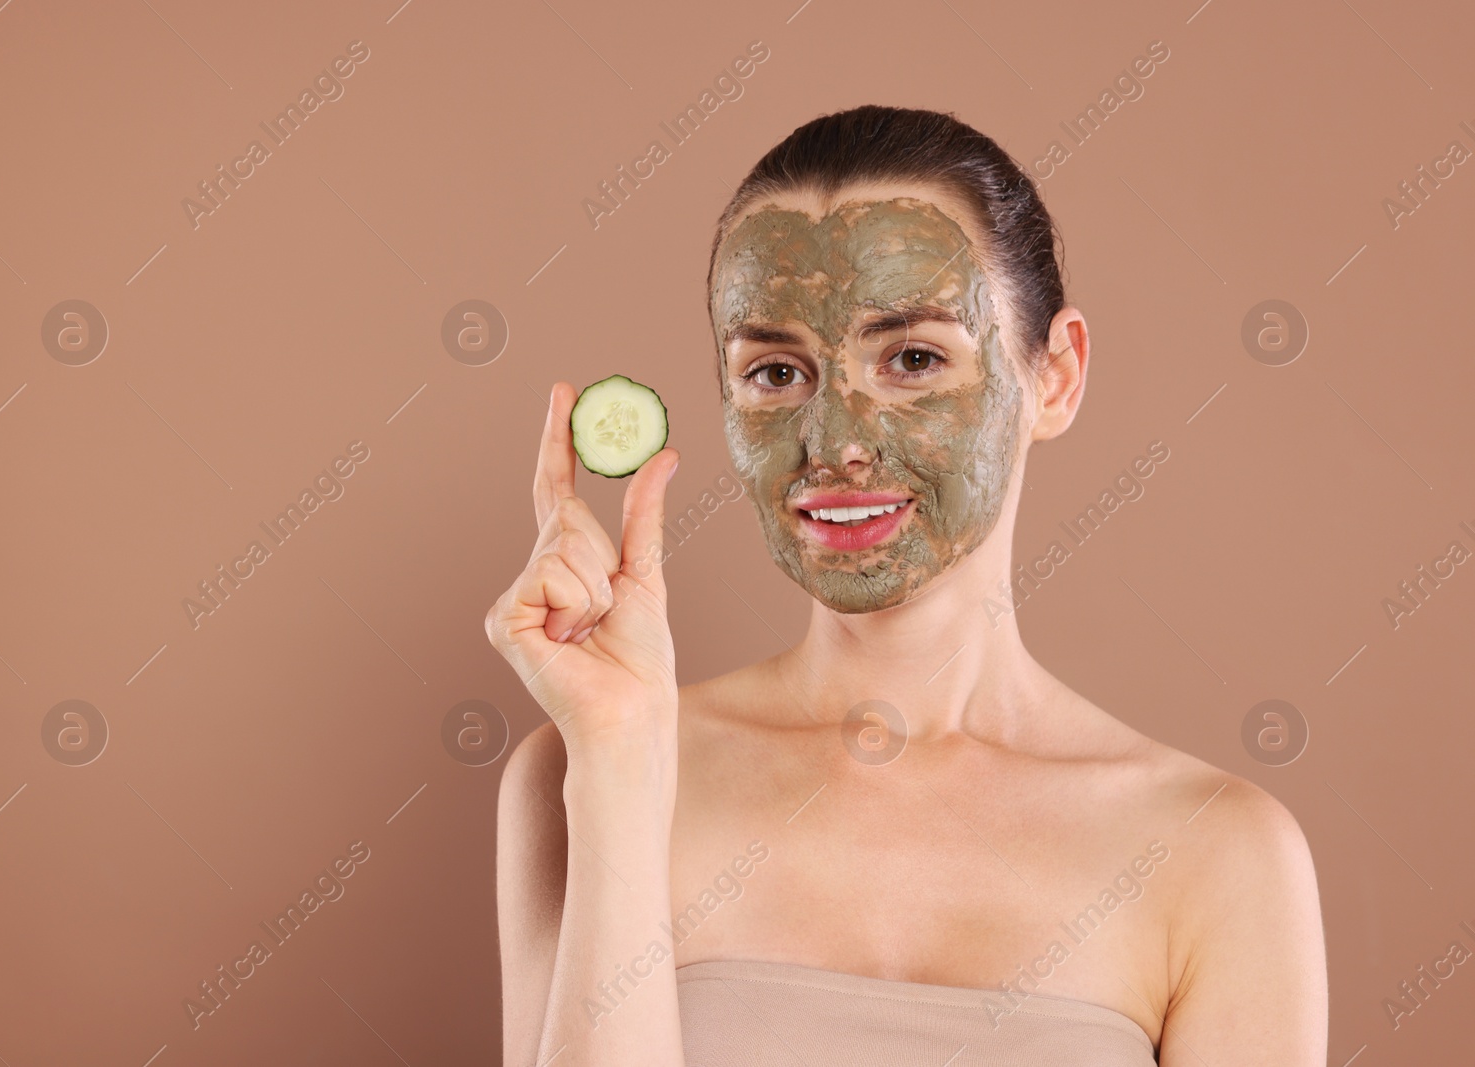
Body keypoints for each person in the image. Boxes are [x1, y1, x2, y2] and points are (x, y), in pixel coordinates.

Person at [486, 105, 1326, 1066]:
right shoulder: (579, 771)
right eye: (776, 371)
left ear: (1054, 376)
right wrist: (621, 764)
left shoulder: (1221, 854)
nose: (837, 440)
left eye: (915, 359)